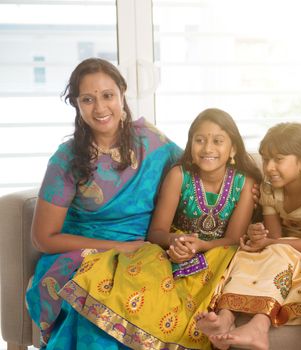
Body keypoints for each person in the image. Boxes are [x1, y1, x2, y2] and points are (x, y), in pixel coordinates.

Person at [56, 108, 262, 349]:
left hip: (220, 253)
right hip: (172, 251)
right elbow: (156, 233)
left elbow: (234, 239)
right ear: (190, 144)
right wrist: (177, 242)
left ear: (233, 149)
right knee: (128, 280)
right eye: (200, 140)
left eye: (218, 141)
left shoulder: (245, 183)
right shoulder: (179, 175)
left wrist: (203, 246)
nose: (208, 148)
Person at [25, 57, 183, 348]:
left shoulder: (153, 143)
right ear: (76, 104)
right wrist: (118, 248)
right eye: (88, 99)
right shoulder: (67, 158)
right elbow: (43, 238)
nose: (99, 108)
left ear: (122, 93)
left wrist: (248, 185)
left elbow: (197, 175)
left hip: (143, 254)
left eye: (107, 96)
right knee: (92, 300)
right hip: (81, 254)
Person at [195, 122, 301, 350]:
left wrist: (273, 242)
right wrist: (259, 236)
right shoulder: (269, 189)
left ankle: (259, 326)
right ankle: (225, 318)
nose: (269, 167)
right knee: (244, 255)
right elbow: (272, 237)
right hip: (280, 252)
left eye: (278, 159)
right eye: (265, 159)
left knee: (278, 251)